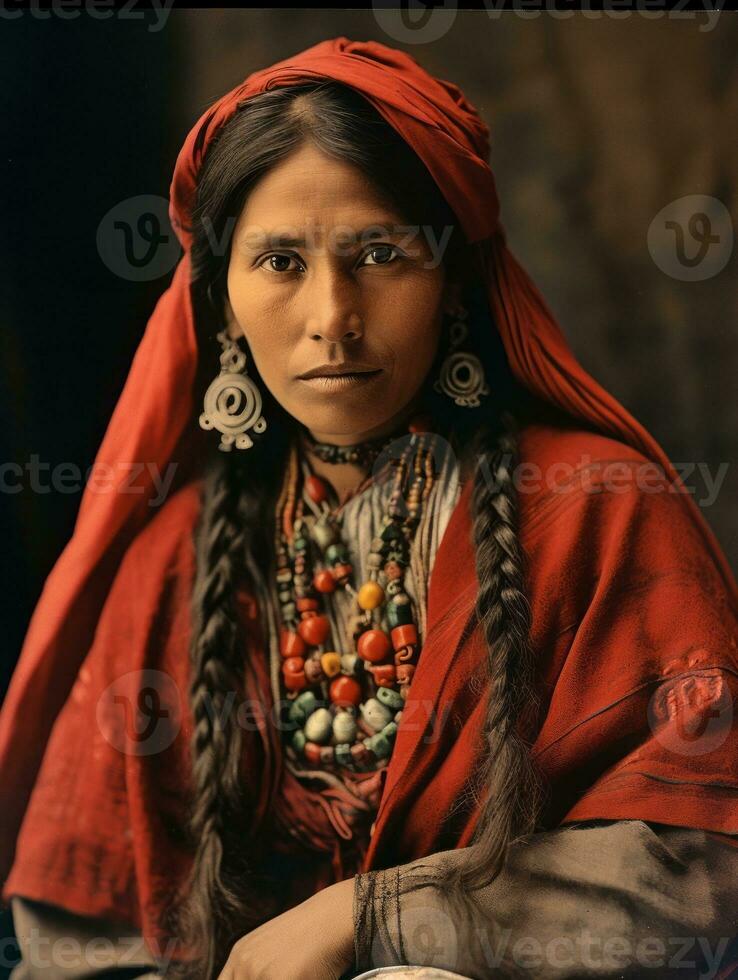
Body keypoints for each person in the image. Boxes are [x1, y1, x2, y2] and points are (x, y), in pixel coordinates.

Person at [2, 37, 738, 980]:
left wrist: (378, 919)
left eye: (381, 254)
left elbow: (706, 873)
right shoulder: (175, 559)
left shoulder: (595, 511)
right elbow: (75, 930)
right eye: (279, 262)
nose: (331, 317)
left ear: (454, 282)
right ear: (221, 302)